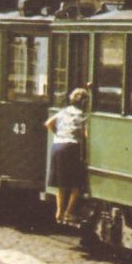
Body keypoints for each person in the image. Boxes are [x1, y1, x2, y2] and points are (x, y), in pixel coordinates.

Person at [44, 88, 89, 225]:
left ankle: (59, 213)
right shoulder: (82, 115)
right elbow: (86, 135)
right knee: (76, 185)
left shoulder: (63, 111)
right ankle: (69, 212)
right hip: (72, 148)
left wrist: (58, 133)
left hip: (57, 147)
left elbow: (48, 123)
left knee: (61, 184)